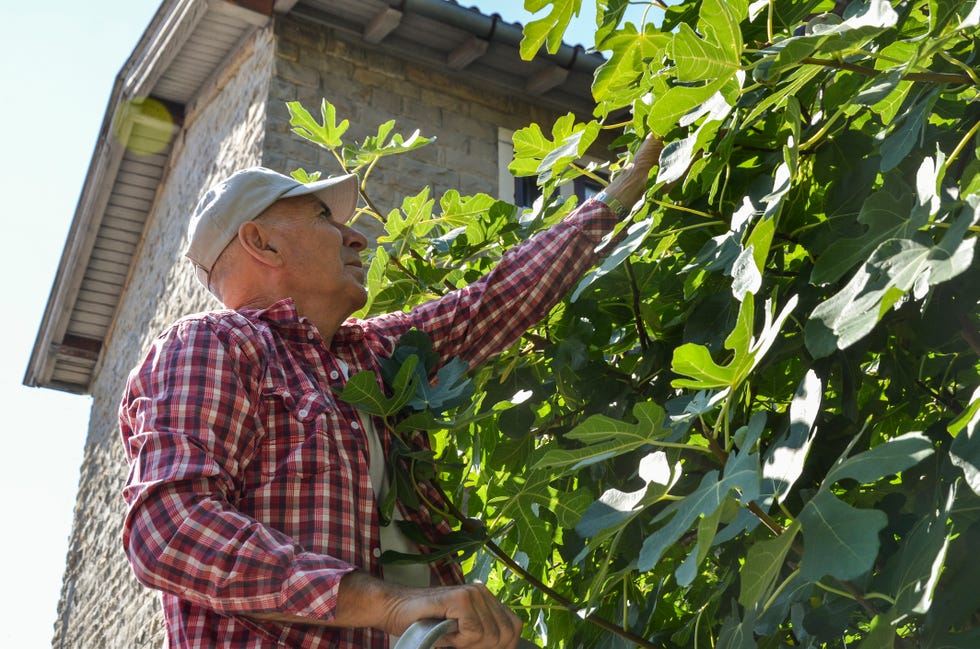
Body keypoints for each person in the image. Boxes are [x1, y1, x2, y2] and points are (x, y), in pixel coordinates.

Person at [118, 135, 662, 649]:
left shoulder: (371, 353)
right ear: (262, 243)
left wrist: (617, 194)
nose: (356, 237)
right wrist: (394, 605)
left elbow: (495, 298)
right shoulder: (214, 344)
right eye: (325, 218)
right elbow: (169, 530)